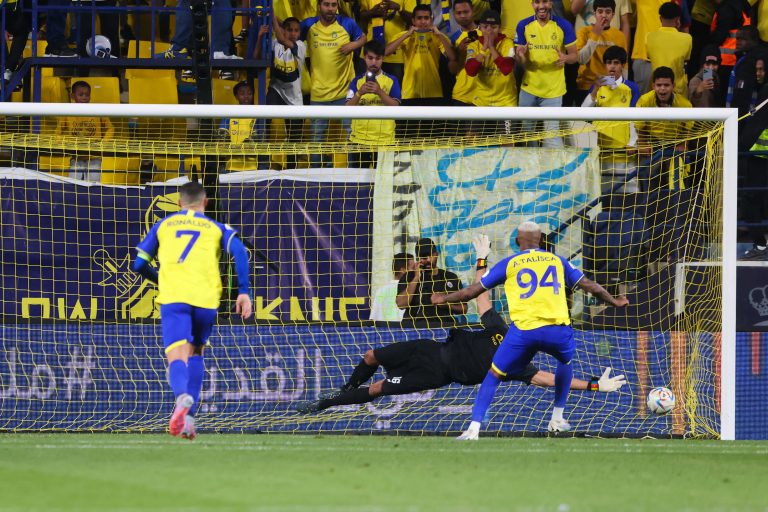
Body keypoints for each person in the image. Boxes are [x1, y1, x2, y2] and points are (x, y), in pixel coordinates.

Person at [298, 234, 627, 413]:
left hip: (436, 374)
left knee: (376, 389)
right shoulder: (501, 329)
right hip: (430, 347)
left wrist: (594, 385)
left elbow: (553, 380)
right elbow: (480, 295)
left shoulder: (518, 366)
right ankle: (343, 391)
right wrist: (482, 259)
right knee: (370, 355)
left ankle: (323, 404)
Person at [432, 222, 629, 439]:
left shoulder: (511, 263)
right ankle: (557, 417)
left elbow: (471, 292)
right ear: (542, 240)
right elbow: (591, 286)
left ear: (517, 241)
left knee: (494, 374)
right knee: (565, 363)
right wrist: (614, 301)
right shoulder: (557, 261)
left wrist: (443, 298)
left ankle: (473, 429)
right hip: (557, 331)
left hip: (524, 332)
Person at [131, 181, 253, 439]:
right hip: (206, 299)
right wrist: (243, 291)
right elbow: (240, 251)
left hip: (175, 298)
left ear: (179, 203)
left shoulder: (164, 224)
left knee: (177, 356)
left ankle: (181, 398)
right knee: (197, 351)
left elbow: (139, 264)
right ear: (205, 203)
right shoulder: (214, 226)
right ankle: (189, 420)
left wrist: (160, 279)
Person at [300, 0, 366, 167]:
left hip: (345, 92)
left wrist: (354, 44)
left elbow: (363, 37)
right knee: (316, 138)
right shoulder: (308, 25)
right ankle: (316, 174)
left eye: (333, 5)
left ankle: (353, 172)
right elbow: (290, 34)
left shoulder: (347, 23)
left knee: (351, 134)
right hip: (319, 92)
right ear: (319, 5)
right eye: (326, 4)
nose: (330, 9)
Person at [385, 4, 457, 137]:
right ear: (413, 20)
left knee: (432, 137)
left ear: (431, 19)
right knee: (408, 137)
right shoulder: (406, 36)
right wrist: (407, 34)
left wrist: (440, 35)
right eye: (419, 18)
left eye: (426, 18)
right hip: (410, 93)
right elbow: (386, 52)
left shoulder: (437, 36)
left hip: (434, 93)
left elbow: (452, 57)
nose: (423, 21)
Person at [514, 0, 578, 148]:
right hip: (528, 88)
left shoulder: (564, 25)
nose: (541, 6)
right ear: (532, 4)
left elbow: (574, 56)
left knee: (552, 137)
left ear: (551, 3)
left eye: (545, 2)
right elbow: (520, 62)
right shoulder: (523, 25)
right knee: (528, 138)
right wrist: (521, 56)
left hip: (553, 91)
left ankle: (554, 171)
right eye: (537, 2)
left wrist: (566, 58)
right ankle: (532, 171)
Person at [581, 45, 640, 194]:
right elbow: (582, 113)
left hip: (623, 153)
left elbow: (636, 118)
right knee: (601, 197)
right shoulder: (597, 87)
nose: (612, 67)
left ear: (622, 65)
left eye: (616, 63)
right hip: (601, 152)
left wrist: (632, 143)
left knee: (628, 196)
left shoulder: (631, 88)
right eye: (608, 63)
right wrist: (594, 90)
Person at [258, 14, 308, 170]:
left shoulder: (300, 46)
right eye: (289, 30)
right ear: (284, 30)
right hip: (277, 90)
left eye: (296, 30)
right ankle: (264, 161)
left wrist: (272, 16)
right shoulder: (275, 44)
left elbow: (281, 38)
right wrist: (260, 37)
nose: (293, 33)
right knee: (264, 120)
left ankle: (291, 169)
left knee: (294, 137)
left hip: (294, 98)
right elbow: (258, 56)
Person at [635, 66, 693, 192]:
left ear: (673, 86)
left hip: (674, 147)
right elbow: (639, 128)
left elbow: (688, 128)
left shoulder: (684, 104)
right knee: (649, 182)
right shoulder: (644, 101)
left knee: (677, 183)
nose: (662, 89)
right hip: (653, 146)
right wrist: (642, 144)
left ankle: (677, 207)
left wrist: (683, 144)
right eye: (659, 85)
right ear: (653, 86)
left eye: (666, 85)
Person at [346, 40, 402, 168]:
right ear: (364, 57)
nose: (374, 62)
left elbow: (396, 107)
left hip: (384, 141)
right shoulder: (357, 81)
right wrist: (359, 93)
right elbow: (347, 108)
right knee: (358, 184)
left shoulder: (391, 80)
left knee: (383, 184)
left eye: (378, 58)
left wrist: (379, 92)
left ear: (382, 59)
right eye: (370, 58)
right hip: (359, 141)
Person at [396, 237, 466, 324]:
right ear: (418, 258)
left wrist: (446, 304)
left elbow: (463, 308)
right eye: (423, 257)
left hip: (444, 327)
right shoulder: (409, 277)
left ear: (436, 254)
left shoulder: (449, 277)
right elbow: (401, 304)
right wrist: (416, 278)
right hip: (415, 328)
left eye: (430, 256)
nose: (427, 260)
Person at [54, 81, 114, 183]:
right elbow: (57, 132)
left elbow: (110, 128)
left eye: (87, 95)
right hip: (76, 156)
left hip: (94, 156)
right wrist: (63, 143)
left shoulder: (97, 110)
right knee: (73, 182)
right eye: (81, 94)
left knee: (94, 183)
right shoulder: (67, 112)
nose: (84, 97)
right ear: (72, 96)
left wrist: (104, 142)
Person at [465, 9, 517, 118]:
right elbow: (470, 71)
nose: (489, 31)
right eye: (485, 27)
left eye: (493, 27)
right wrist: (484, 49)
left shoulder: (507, 43)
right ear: (480, 28)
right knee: (473, 135)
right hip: (481, 102)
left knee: (507, 136)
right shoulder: (473, 46)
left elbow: (506, 69)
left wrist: (492, 47)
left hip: (505, 102)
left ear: (500, 28)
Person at [574, 0, 627, 106]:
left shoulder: (620, 36)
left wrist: (623, 86)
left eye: (608, 12)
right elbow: (581, 59)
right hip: (586, 86)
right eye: (600, 11)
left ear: (613, 15)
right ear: (594, 14)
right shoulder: (583, 32)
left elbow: (624, 66)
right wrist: (596, 33)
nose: (604, 15)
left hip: (611, 86)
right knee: (584, 122)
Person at [218, 81, 270, 171]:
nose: (246, 96)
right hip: (231, 164)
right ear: (236, 96)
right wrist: (226, 143)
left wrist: (250, 143)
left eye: (249, 93)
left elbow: (259, 136)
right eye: (242, 93)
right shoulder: (229, 113)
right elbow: (222, 134)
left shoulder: (257, 114)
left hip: (252, 166)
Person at [645, 2, 692, 98]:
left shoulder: (649, 37)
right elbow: (686, 60)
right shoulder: (687, 38)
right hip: (678, 91)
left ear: (660, 18)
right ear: (678, 20)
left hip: (657, 90)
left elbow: (649, 56)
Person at [359, 0, 410, 86]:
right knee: (367, 93)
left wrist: (399, 8)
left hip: (396, 56)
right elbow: (361, 18)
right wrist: (372, 13)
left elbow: (414, 18)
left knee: (394, 94)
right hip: (370, 53)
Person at [448, 0, 479, 109]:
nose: (463, 16)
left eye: (466, 12)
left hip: (485, 95)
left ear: (473, 11)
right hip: (462, 95)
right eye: (459, 13)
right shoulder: (452, 39)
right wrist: (459, 52)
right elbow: (453, 70)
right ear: (454, 14)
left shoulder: (487, 32)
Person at [370, 252, 414, 321]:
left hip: (385, 330)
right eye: (413, 268)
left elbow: (373, 318)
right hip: (404, 330)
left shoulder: (381, 290)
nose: (416, 271)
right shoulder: (412, 289)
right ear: (403, 270)